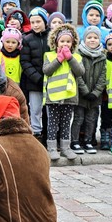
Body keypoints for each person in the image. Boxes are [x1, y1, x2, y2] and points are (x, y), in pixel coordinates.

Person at [42, 23, 85, 161]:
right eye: (62, 41)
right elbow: (47, 71)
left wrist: (70, 58)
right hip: (53, 97)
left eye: (68, 41)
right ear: (56, 42)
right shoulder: (48, 56)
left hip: (69, 97)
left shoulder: (77, 57)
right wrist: (59, 59)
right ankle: (52, 148)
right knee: (53, 123)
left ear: (72, 44)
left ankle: (66, 147)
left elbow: (80, 72)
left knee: (66, 122)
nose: (65, 44)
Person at [71, 25, 106, 154]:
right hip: (81, 95)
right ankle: (75, 141)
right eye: (89, 37)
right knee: (78, 118)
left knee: (91, 119)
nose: (92, 40)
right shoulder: (78, 54)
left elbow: (103, 76)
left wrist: (96, 92)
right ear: (84, 39)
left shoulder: (102, 56)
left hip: (95, 97)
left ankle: (88, 140)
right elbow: (77, 74)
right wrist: (85, 91)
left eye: (95, 37)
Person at [20, 7, 49, 140]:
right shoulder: (27, 39)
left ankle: (49, 133)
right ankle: (36, 133)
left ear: (45, 21)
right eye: (33, 22)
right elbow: (25, 62)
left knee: (49, 110)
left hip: (51, 82)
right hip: (34, 82)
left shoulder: (52, 37)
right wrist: (37, 78)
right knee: (35, 109)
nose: (36, 25)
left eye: (38, 21)